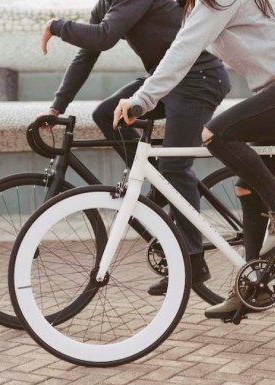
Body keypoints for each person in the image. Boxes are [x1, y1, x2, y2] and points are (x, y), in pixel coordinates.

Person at [113, 0, 275, 317]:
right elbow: (182, 50)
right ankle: (253, 287)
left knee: (216, 134)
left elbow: (182, 51)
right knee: (247, 189)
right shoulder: (203, 7)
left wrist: (142, 100)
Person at [39, 0, 230, 295]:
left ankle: (194, 261)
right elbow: (87, 54)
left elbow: (105, 36)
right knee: (106, 115)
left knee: (176, 167)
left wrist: (56, 26)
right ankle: (158, 179)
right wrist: (56, 108)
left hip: (197, 79)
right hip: (164, 79)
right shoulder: (106, 3)